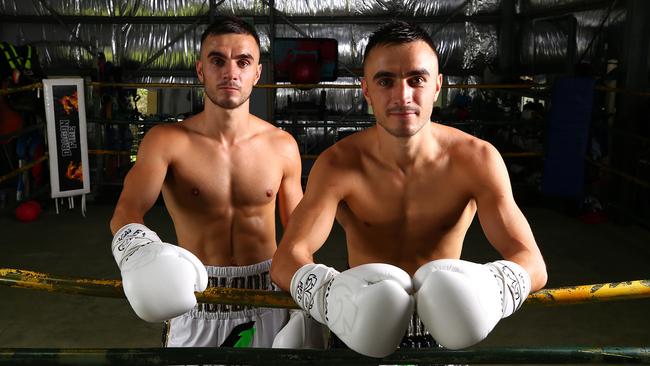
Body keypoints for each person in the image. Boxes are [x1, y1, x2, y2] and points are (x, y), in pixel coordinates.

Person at [270, 21, 548, 358]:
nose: (402, 96)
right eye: (385, 81)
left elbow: (531, 261)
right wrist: (330, 296)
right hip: (360, 323)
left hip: (445, 330)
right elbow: (287, 259)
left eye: (416, 79)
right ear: (366, 90)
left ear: (437, 87)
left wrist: (494, 288)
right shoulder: (338, 164)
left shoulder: (477, 160)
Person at [109, 16, 304, 349]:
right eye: (218, 60)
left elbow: (299, 231)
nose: (231, 72)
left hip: (267, 296)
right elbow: (128, 209)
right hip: (194, 295)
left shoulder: (282, 145)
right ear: (201, 70)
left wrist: (308, 284)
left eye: (243, 62)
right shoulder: (166, 141)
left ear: (256, 73)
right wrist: (140, 253)